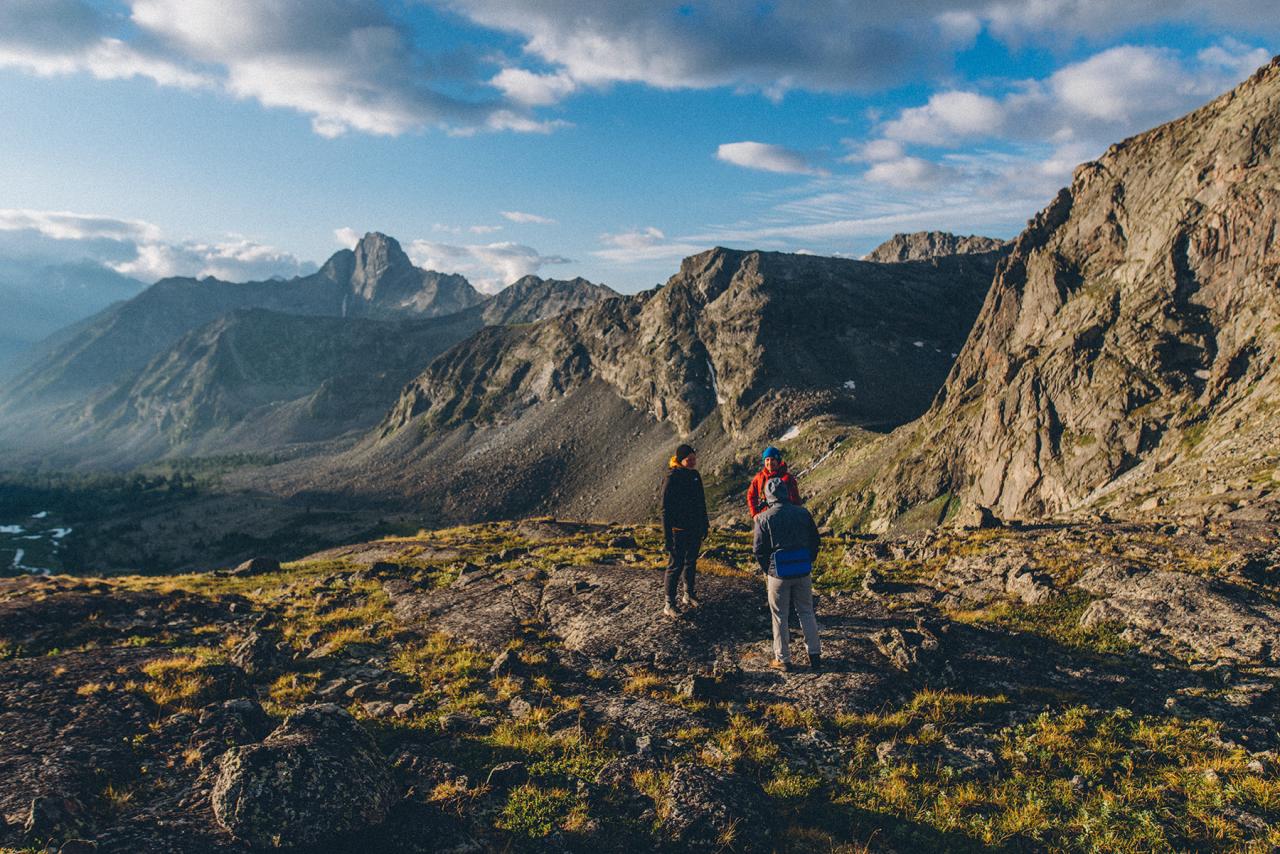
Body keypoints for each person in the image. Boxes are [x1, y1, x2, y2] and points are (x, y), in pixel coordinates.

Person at [752, 477, 821, 672]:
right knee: (806, 611)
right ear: (786, 493)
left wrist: (769, 569)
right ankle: (814, 655)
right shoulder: (803, 513)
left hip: (778, 573)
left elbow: (758, 549)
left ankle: (783, 659)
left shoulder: (763, 518)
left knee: (780, 616)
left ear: (768, 496)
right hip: (802, 569)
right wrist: (808, 560)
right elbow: (815, 540)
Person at [661, 443, 708, 618]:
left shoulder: (695, 475)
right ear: (681, 460)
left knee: (691, 561)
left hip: (694, 528)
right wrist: (667, 536)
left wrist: (705, 524)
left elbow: (701, 502)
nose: (693, 462)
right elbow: (665, 509)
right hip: (678, 530)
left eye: (694, 459)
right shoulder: (672, 477)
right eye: (689, 460)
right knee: (675, 565)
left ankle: (688, 594)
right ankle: (669, 604)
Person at [747, 446, 801, 518]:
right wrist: (755, 514)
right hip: (766, 517)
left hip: (784, 517)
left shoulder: (787, 478)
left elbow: (795, 499)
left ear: (778, 461)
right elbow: (751, 495)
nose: (770, 462)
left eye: (772, 459)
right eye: (767, 460)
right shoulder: (759, 478)